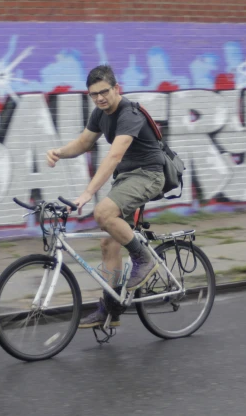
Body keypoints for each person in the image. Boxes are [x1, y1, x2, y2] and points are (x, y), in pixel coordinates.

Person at [46, 64, 165, 328]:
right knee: (108, 243)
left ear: (116, 89)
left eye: (104, 92)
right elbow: (84, 143)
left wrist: (88, 193)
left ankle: (143, 259)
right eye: (93, 94)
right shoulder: (100, 114)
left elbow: (114, 155)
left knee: (102, 213)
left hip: (149, 175)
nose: (99, 98)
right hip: (127, 178)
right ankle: (110, 309)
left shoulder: (129, 114)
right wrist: (59, 152)